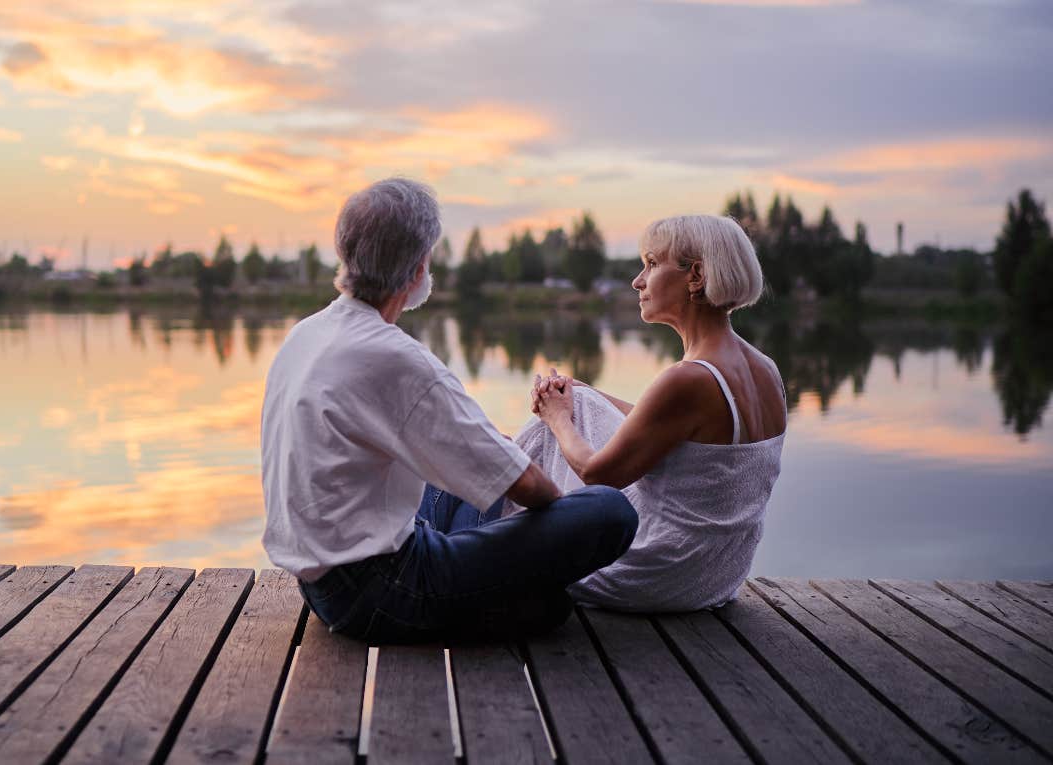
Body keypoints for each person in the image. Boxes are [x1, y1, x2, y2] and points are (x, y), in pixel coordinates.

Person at [261, 178, 638, 643]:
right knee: (608, 512)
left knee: (476, 465)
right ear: (419, 266)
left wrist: (496, 468)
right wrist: (557, 528)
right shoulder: (395, 356)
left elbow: (478, 456)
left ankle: (480, 578)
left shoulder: (308, 333)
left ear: (347, 252)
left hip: (320, 583)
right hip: (382, 590)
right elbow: (529, 486)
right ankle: (484, 589)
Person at [519, 214, 787, 612]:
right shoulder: (764, 369)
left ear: (695, 276)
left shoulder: (689, 379)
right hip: (715, 576)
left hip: (654, 575)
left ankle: (477, 535)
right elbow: (677, 432)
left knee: (546, 434)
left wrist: (555, 417)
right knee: (582, 404)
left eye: (652, 264)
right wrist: (586, 394)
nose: (637, 280)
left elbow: (598, 474)